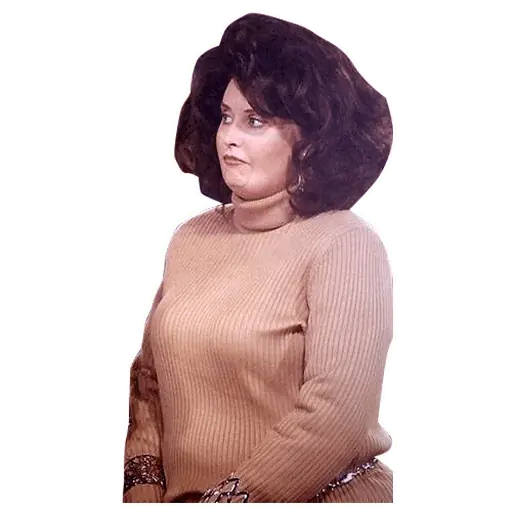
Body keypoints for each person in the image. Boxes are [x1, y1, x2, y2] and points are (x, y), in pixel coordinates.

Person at [122, 11, 396, 504]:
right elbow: (149, 383)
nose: (229, 135)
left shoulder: (344, 244)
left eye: (255, 121)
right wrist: (142, 492)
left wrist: (228, 503)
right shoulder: (192, 238)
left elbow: (336, 417)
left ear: (310, 139)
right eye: (226, 116)